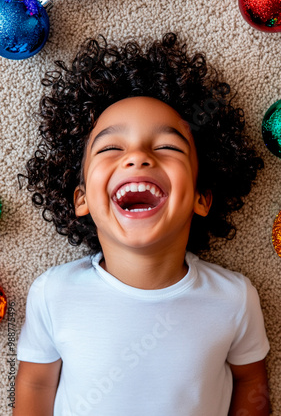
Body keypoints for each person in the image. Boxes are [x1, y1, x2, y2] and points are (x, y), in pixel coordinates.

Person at [14, 33, 270, 416]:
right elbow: (35, 383)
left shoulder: (234, 298)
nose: (137, 157)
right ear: (81, 198)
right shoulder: (53, 293)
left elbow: (251, 381)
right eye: (111, 148)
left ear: (201, 197)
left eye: (168, 147)